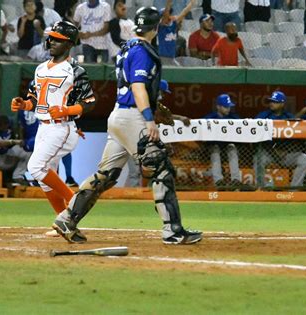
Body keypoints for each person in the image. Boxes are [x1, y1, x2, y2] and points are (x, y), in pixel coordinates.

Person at [51, 7, 202, 245]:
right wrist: (149, 119)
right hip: (134, 118)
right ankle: (172, 230)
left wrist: (155, 110)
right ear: (155, 28)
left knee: (106, 175)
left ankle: (67, 218)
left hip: (118, 116)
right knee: (161, 168)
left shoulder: (127, 47)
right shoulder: (143, 51)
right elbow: (138, 87)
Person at [11, 22, 95, 224]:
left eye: (58, 39)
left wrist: (66, 109)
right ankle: (65, 221)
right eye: (51, 37)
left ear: (69, 44)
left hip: (62, 127)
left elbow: (89, 103)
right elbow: (34, 100)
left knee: (36, 167)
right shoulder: (40, 68)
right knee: (44, 177)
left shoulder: (75, 70)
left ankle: (76, 204)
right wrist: (24, 104)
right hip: (44, 127)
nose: (51, 41)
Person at [254, 91, 306, 188]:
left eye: (275, 102)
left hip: (286, 155)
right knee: (258, 158)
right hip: (269, 153)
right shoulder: (263, 116)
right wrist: (273, 150)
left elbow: (296, 139)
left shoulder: (288, 117)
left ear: (282, 104)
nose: (271, 103)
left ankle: (294, 188)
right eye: (271, 101)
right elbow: (255, 135)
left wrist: (286, 150)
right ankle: (263, 187)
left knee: (304, 159)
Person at [19, 105, 80, 187]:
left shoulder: (52, 103)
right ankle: (40, 179)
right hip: (35, 139)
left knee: (61, 147)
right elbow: (21, 127)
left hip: (50, 134)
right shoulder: (27, 108)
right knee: (47, 148)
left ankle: (67, 178)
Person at [0, 115, 31, 189]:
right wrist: (12, 141)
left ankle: (18, 176)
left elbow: (20, 139)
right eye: (3, 126)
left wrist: (20, 140)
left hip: (7, 156)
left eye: (7, 125)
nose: (6, 128)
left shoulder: (11, 124)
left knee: (27, 151)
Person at [203, 94, 242, 188]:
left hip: (227, 147)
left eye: (229, 107)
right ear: (218, 107)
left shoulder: (234, 118)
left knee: (232, 148)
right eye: (225, 107)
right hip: (213, 148)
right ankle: (219, 181)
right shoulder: (209, 118)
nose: (228, 109)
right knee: (215, 150)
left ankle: (236, 180)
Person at [158, 0, 195, 65]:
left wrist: (191, 3)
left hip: (172, 57)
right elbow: (166, 16)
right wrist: (168, 3)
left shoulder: (173, 25)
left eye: (170, 13)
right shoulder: (161, 27)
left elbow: (184, 13)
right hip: (162, 57)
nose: (169, 15)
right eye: (168, 14)